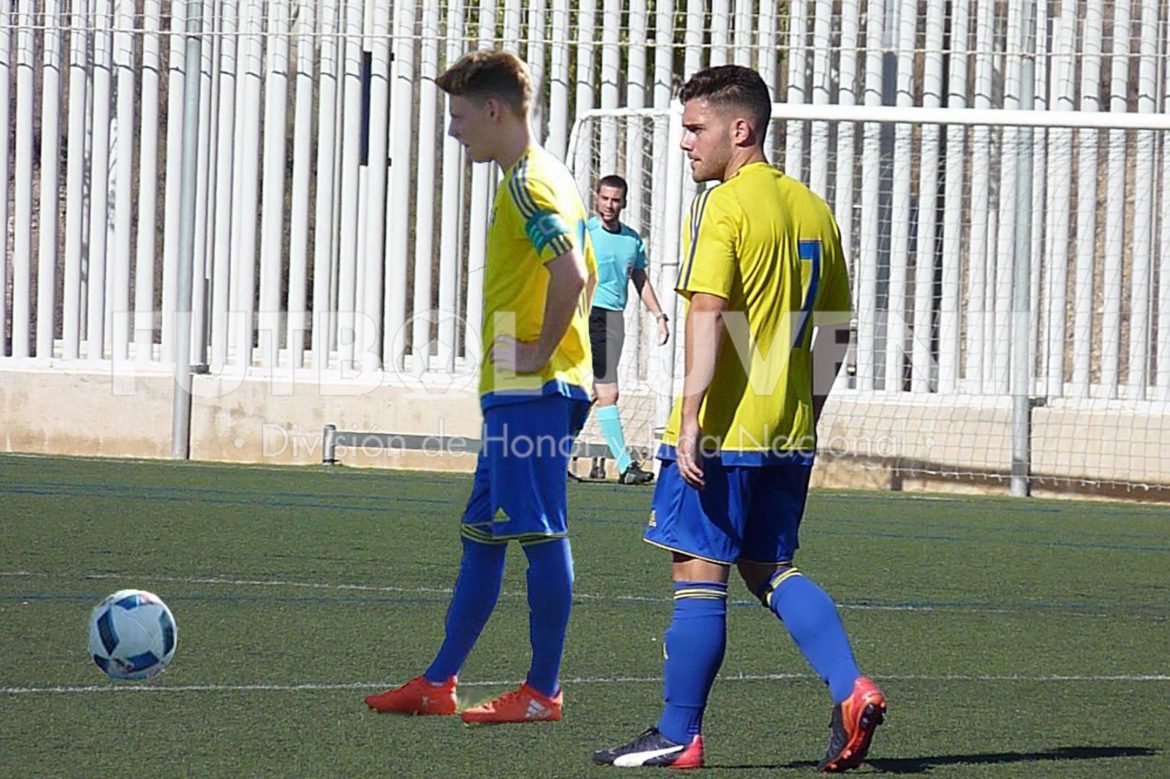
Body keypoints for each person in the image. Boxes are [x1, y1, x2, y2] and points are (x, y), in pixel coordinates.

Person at [592, 65, 885, 772]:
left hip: (721, 433)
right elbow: (837, 328)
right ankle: (852, 687)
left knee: (699, 574)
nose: (687, 143)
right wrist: (805, 412)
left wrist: (690, 414)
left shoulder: (725, 207)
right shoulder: (814, 210)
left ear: (740, 129)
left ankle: (678, 732)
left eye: (696, 128)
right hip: (785, 434)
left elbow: (707, 311)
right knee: (770, 568)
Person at [364, 50, 596, 725]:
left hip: (535, 387)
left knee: (542, 532)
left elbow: (573, 274)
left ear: (494, 111)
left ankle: (544, 691)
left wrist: (535, 351)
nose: (452, 130)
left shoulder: (530, 181)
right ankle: (439, 681)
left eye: (458, 116)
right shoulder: (537, 177)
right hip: (519, 389)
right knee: (482, 536)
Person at [584, 175, 670, 485]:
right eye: (604, 198)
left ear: (624, 202)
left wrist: (659, 316)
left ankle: (552, 459)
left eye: (615, 200)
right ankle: (624, 466)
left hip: (614, 320)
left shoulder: (632, 240)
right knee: (609, 391)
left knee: (593, 392)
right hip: (589, 317)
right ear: (597, 198)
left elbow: (640, 279)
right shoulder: (584, 233)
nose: (609, 205)